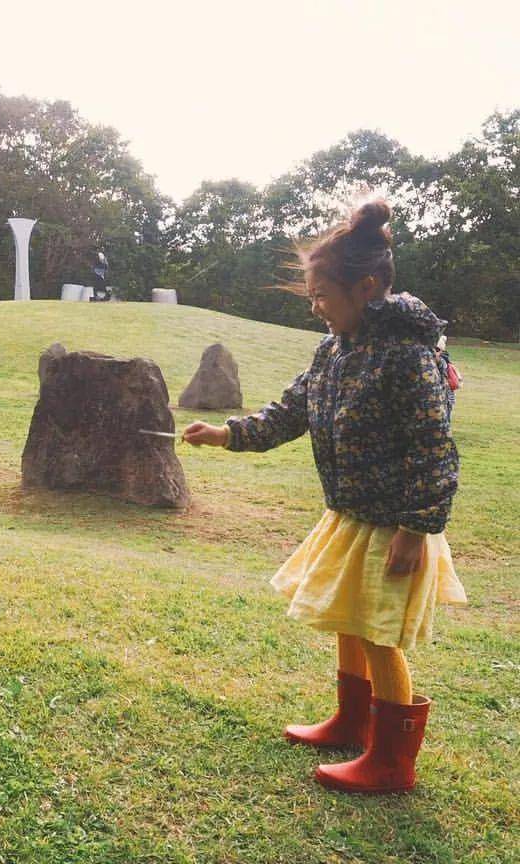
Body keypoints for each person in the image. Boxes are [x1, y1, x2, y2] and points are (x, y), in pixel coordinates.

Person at [182, 200, 465, 794]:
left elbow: (432, 447)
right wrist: (227, 433)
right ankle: (351, 721)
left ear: (366, 288)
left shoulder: (408, 355)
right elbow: (291, 412)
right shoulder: (334, 351)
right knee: (347, 619)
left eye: (323, 297)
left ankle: (391, 761)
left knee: (377, 633)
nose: (316, 308)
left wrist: (417, 528)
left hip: (395, 523)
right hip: (351, 514)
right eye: (311, 298)